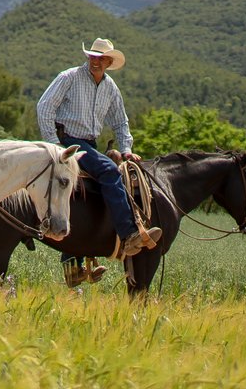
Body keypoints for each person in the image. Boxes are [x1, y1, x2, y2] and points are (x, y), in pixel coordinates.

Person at [37, 38, 161, 276]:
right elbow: (44, 107)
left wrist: (126, 149)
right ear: (87, 58)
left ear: (109, 61)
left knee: (91, 188)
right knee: (110, 172)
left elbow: (120, 121)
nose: (96, 61)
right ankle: (128, 234)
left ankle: (74, 263)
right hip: (68, 141)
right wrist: (54, 145)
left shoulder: (110, 87)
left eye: (101, 58)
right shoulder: (69, 77)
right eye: (93, 57)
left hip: (89, 144)